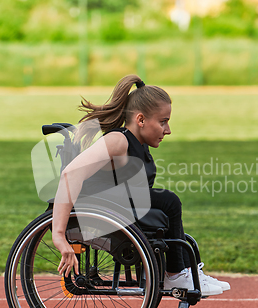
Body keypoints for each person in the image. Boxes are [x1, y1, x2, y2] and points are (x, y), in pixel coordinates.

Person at [51, 74, 230, 296]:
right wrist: (58, 234)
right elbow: (70, 174)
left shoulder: (139, 144)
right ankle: (176, 275)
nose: (168, 130)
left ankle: (181, 272)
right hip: (95, 209)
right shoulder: (118, 140)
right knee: (169, 201)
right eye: (163, 122)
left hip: (116, 204)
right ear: (141, 119)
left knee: (167, 202)